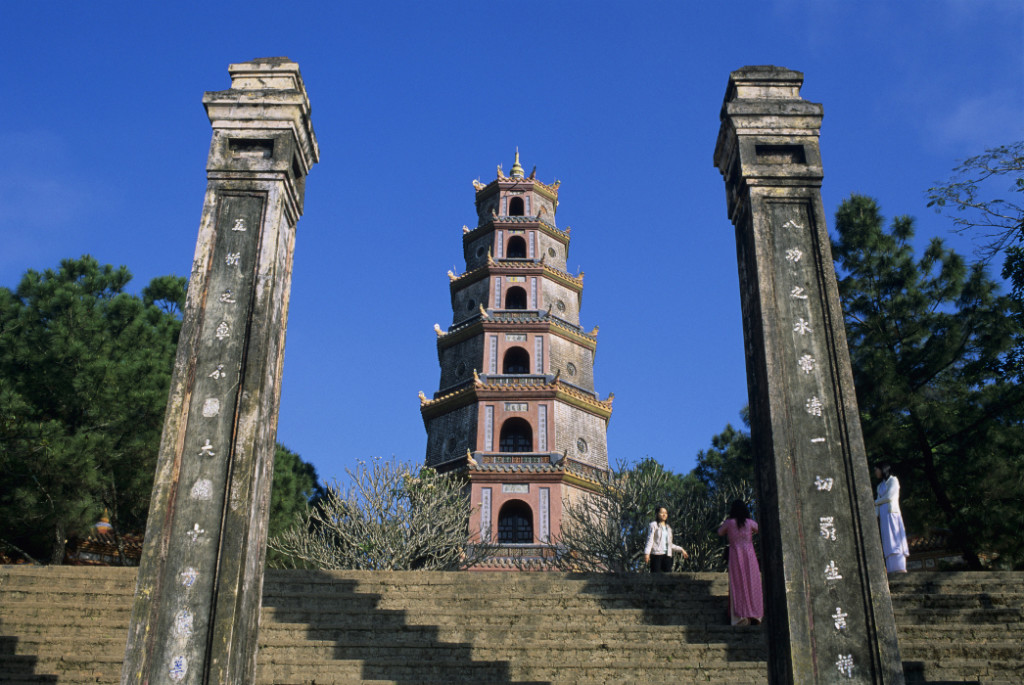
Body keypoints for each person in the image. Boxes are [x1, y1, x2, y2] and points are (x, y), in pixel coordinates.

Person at [717, 500, 763, 626]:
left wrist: (723, 522)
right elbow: (759, 529)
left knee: (738, 584)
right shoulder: (749, 523)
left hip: (736, 555)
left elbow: (720, 532)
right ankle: (756, 615)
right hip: (749, 555)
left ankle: (740, 617)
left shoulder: (729, 523)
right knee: (752, 583)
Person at [874, 463, 909, 574]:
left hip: (892, 514)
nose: (875, 472)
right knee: (887, 540)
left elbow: (890, 497)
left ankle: (899, 567)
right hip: (884, 517)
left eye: (876, 470)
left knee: (895, 539)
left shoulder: (893, 480)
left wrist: (873, 502)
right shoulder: (879, 486)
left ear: (882, 469)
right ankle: (891, 569)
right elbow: (878, 504)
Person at [643, 506, 689, 573]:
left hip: (667, 556)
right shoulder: (653, 525)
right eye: (662, 513)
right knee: (655, 578)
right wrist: (647, 553)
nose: (664, 515)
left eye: (666, 513)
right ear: (657, 514)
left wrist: (681, 550)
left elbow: (670, 545)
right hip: (656, 555)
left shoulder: (668, 528)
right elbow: (650, 540)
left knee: (668, 578)